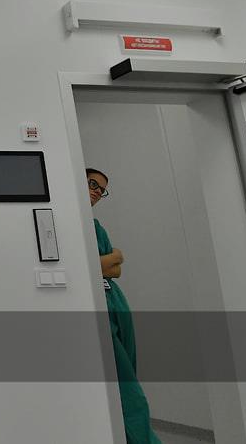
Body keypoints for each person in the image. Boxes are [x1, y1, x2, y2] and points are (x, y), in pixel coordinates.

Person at [88, 168, 161, 444]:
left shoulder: (96, 227)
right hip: (100, 312)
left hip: (116, 304)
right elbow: (89, 265)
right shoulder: (66, 221)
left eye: (101, 189)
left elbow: (115, 270)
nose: (97, 191)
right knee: (128, 391)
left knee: (128, 376)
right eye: (92, 183)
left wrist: (107, 262)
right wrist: (111, 258)